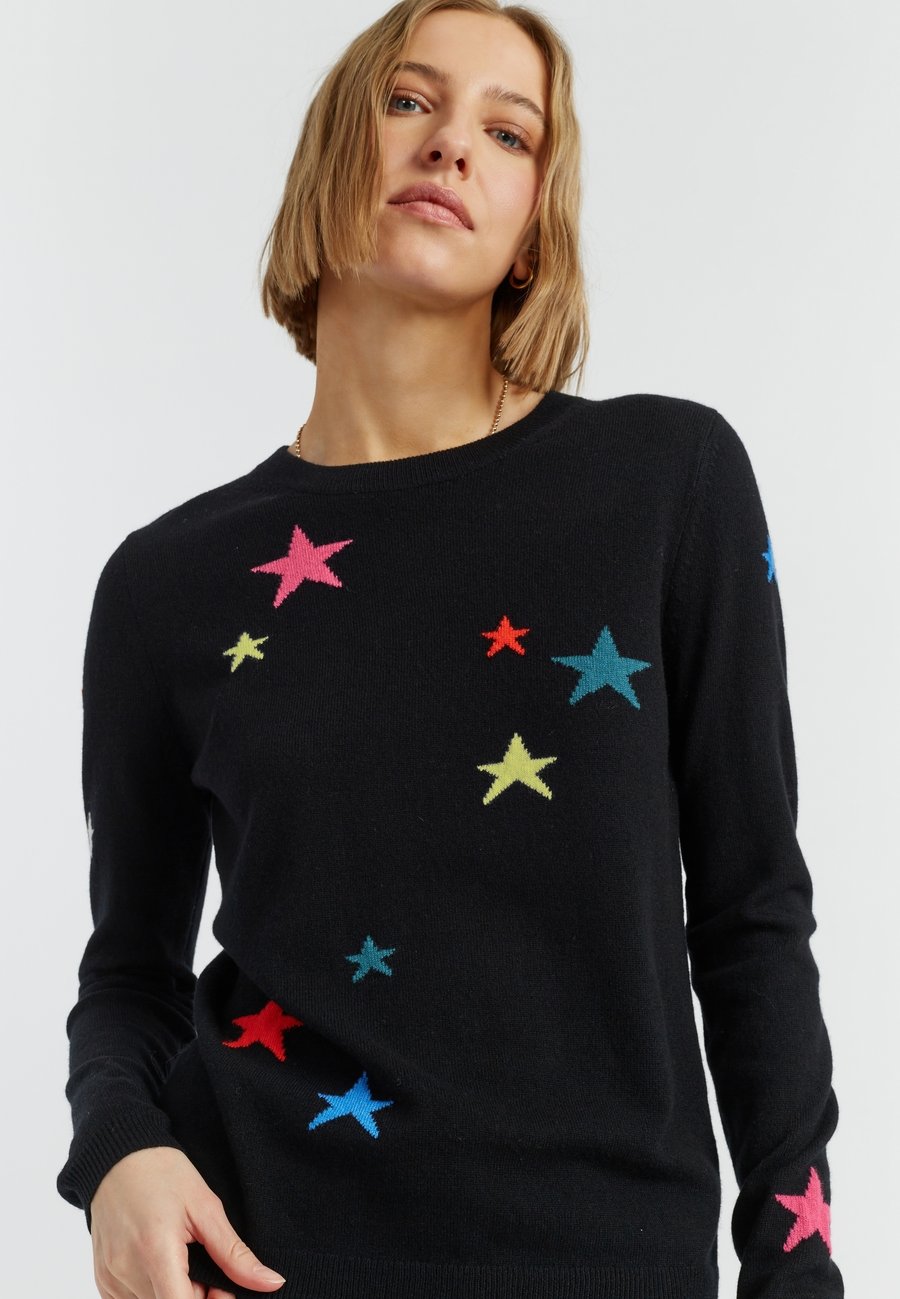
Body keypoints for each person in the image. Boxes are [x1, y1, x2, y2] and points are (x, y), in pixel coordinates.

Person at [56, 2, 844, 1297]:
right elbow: (128, 974)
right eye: (410, 101)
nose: (452, 145)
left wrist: (797, 1269)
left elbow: (753, 910)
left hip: (607, 1259)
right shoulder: (166, 582)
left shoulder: (666, 481)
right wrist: (118, 1155)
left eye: (508, 131)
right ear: (333, 150)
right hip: (258, 1253)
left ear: (537, 220)